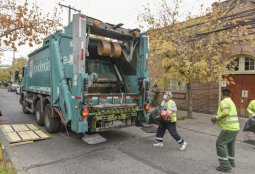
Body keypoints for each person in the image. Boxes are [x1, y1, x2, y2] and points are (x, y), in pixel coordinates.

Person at [211, 88, 240, 172]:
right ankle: (231, 162)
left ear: (222, 94)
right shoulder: (231, 102)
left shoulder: (224, 102)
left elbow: (225, 112)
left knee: (220, 144)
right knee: (230, 145)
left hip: (228, 128)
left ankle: (225, 166)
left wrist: (215, 118)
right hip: (235, 127)